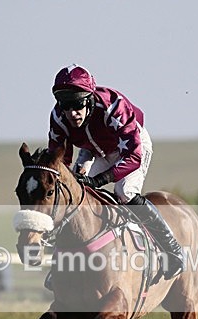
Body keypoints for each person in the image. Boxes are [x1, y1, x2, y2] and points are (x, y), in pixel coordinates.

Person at [46, 64, 184, 280]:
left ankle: (173, 250)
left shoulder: (114, 106)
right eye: (65, 105)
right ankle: (60, 265)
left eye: (77, 104)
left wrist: (99, 179)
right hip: (93, 149)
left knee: (125, 192)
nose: (72, 113)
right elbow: (59, 160)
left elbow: (133, 156)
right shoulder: (58, 118)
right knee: (73, 194)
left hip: (130, 146)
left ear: (89, 99)